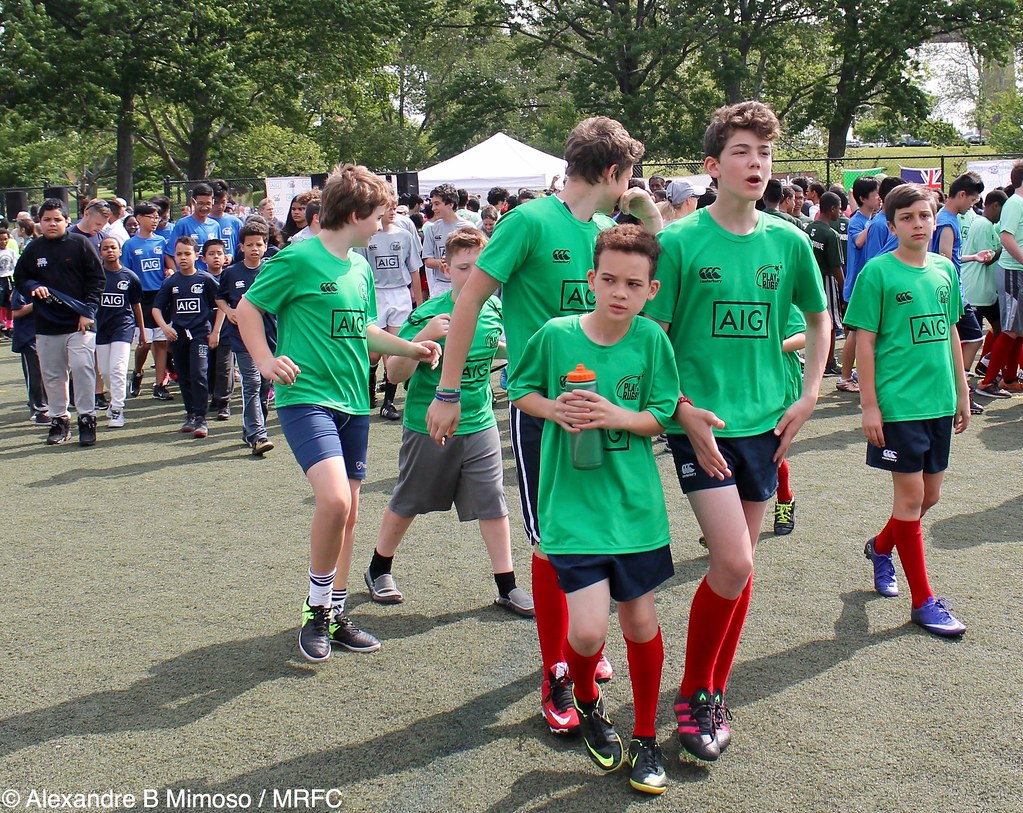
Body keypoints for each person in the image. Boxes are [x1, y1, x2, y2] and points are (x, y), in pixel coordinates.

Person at [426, 116, 662, 736]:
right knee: (550, 540)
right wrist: (448, 390)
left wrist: (648, 217)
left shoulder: (606, 233)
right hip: (545, 413)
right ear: (612, 171)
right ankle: (556, 669)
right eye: (628, 176)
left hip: (608, 415)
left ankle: (581, 647)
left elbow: (654, 288)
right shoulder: (528, 222)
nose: (630, 186)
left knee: (599, 529)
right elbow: (469, 300)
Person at [645, 101, 829, 761]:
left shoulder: (788, 240)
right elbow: (652, 339)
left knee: (740, 566)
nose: (757, 164)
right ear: (712, 165)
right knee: (733, 560)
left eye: (765, 153)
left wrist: (809, 394)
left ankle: (712, 689)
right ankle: (694, 692)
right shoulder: (678, 242)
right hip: (703, 423)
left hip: (767, 424)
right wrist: (680, 410)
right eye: (742, 151)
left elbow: (819, 319)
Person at [235, 164, 441, 663]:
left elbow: (364, 330)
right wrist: (264, 360)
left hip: (354, 403)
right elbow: (247, 309)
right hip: (307, 398)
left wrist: (412, 348)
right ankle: (315, 609)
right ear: (353, 214)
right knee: (333, 501)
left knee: (348, 514)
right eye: (379, 215)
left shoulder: (360, 267)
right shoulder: (298, 258)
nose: (383, 224)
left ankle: (333, 612)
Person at [510, 225, 676, 794]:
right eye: (609, 280)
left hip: (635, 511)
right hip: (572, 510)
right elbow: (519, 389)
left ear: (651, 290)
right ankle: (586, 700)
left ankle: (647, 737)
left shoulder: (651, 340)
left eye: (633, 283)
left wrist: (617, 416)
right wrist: (552, 410)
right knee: (585, 633)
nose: (619, 292)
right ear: (591, 279)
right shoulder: (556, 335)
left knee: (641, 623)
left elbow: (662, 413)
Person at [367, 227, 534, 618]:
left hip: (480, 421)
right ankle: (378, 568)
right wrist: (423, 338)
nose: (473, 275)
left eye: (480, 266)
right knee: (408, 499)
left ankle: (507, 585)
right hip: (429, 425)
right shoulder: (428, 314)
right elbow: (394, 374)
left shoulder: (494, 309)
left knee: (493, 501)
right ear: (446, 269)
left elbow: (498, 347)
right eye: (463, 268)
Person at [844, 183, 969, 637]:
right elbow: (865, 342)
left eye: (925, 216)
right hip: (899, 406)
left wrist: (962, 391)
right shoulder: (877, 273)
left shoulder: (944, 269)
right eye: (907, 217)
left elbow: (951, 332)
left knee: (929, 498)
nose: (918, 224)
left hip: (939, 401)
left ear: (935, 218)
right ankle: (924, 602)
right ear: (891, 224)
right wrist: (869, 406)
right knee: (912, 499)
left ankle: (881, 548)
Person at [13, 198, 105, 446]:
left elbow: (97, 280)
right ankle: (59, 421)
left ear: (67, 220)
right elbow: (20, 278)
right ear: (39, 222)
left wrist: (88, 311)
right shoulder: (34, 249)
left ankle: (87, 419)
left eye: (57, 219)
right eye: (46, 220)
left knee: (82, 369)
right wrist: (33, 286)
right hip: (46, 324)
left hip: (79, 322)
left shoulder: (80, 244)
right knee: (53, 376)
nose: (52, 224)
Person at [353, 196, 423, 419]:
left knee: (394, 348)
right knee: (373, 354)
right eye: (388, 209)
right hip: (375, 294)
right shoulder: (368, 236)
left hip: (399, 294)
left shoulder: (405, 235)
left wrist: (420, 304)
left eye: (395, 208)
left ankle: (388, 403)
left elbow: (414, 269)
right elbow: (360, 270)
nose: (392, 212)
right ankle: (369, 386)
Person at [930, 173, 992, 408]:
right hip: (950, 292)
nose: (972, 206)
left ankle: (957, 388)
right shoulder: (947, 221)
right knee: (973, 338)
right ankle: (959, 388)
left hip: (951, 290)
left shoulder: (947, 218)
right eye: (972, 201)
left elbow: (949, 256)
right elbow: (944, 258)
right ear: (962, 194)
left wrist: (973, 257)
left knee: (955, 340)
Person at [216, 220, 276, 456]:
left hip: (270, 336)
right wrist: (229, 311)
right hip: (242, 339)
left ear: (265, 246)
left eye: (258, 244)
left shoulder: (271, 270)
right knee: (251, 383)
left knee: (265, 385)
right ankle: (258, 434)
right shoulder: (231, 273)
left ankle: (250, 427)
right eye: (249, 245)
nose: (254, 249)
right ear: (241, 247)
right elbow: (220, 297)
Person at [152, 236, 220, 438]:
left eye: (187, 254)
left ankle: (201, 418)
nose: (183, 258)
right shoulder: (171, 282)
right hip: (179, 336)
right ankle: (190, 414)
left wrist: (215, 331)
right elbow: (156, 308)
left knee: (199, 373)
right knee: (184, 375)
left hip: (200, 334)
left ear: (196, 256)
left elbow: (221, 304)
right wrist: (165, 327)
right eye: (179, 254)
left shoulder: (205, 279)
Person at [978, 161, 1023, 395]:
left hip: (1018, 272)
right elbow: (1006, 237)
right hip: (1013, 272)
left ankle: (1009, 379)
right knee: (1011, 330)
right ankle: (987, 382)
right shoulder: (1015, 203)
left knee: (1019, 331)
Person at [123, 202, 173, 401]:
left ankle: (159, 384)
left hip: (160, 296)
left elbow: (168, 265)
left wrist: (169, 271)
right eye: (150, 217)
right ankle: (137, 372)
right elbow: (126, 273)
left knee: (161, 342)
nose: (155, 221)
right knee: (144, 343)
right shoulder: (130, 245)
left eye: (157, 217)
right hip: (141, 298)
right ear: (138, 218)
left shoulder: (161, 241)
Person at [95, 236, 145, 427]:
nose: (109, 251)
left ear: (119, 251)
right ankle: (113, 399)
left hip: (123, 327)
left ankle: (117, 409)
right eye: (105, 248)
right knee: (105, 371)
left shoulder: (129, 277)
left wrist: (142, 331)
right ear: (100, 252)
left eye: (113, 247)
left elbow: (136, 305)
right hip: (101, 328)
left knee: (117, 368)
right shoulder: (96, 277)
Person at [838, 176, 882, 393]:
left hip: (864, 285)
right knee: (854, 333)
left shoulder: (868, 218)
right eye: (875, 195)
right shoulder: (857, 221)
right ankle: (845, 378)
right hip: (857, 285)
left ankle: (854, 373)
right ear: (863, 198)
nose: (879, 199)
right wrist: (874, 224)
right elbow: (858, 241)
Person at [961, 190, 1006, 378]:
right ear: (995, 206)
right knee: (974, 337)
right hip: (977, 289)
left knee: (1000, 330)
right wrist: (1005, 246)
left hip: (984, 290)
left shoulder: (985, 224)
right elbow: (986, 258)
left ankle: (986, 363)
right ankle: (965, 373)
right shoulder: (983, 225)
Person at [804, 192, 845, 375]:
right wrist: (844, 288)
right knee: (831, 323)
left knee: (812, 321)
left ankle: (814, 359)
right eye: (839, 208)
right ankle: (829, 362)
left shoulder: (808, 229)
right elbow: (836, 266)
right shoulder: (831, 234)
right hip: (826, 280)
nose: (841, 212)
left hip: (810, 278)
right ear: (832, 208)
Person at [774, 312, 806, 535]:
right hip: (741, 384)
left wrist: (769, 347)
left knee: (773, 450)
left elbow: (802, 336)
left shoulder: (782, 297)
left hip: (781, 386)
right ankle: (727, 520)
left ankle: (785, 498)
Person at [421, 184, 474, 299]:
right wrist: (442, 263)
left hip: (464, 283)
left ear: (450, 204)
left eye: (437, 204)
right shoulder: (432, 229)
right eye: (432, 204)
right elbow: (427, 260)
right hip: (441, 285)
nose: (433, 208)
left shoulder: (469, 228)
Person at [202, 239, 235, 420]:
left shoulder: (229, 276)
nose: (216, 257)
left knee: (224, 366)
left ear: (225, 257)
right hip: (202, 330)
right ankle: (213, 397)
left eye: (219, 253)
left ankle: (224, 403)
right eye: (211, 254)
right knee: (208, 366)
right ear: (203, 258)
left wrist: (217, 331)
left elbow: (227, 304)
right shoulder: (200, 278)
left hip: (226, 330)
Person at [9, 287, 49, 423]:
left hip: (47, 335)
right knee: (35, 375)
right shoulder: (23, 288)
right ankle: (39, 410)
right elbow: (16, 312)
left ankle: (47, 405)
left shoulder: (50, 283)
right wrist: (36, 304)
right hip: (29, 339)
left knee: (50, 374)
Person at [165, 184, 220, 274]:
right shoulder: (182, 224)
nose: (204, 208)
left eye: (208, 204)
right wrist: (176, 275)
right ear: (192, 202)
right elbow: (169, 254)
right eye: (200, 203)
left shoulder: (215, 225)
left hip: (210, 276)